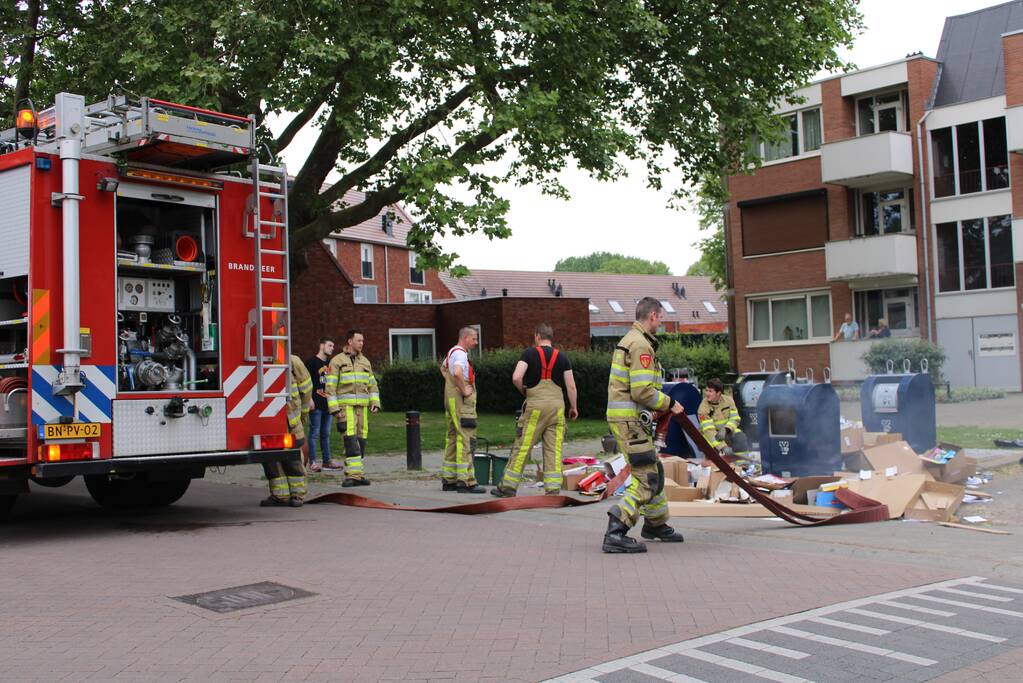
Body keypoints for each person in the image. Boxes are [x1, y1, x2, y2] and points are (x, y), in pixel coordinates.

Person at [602, 297, 685, 553]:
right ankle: (616, 530)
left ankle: (656, 524)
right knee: (646, 477)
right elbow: (642, 391)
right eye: (660, 318)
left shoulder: (631, 340)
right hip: (630, 421)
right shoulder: (640, 345)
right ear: (652, 316)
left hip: (627, 419)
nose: (660, 322)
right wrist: (670, 403)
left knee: (654, 470)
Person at [491, 323, 579, 497]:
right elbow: (571, 386)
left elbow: (516, 377)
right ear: (550, 337)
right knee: (553, 449)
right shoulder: (562, 357)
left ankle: (508, 487)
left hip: (535, 408)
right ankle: (553, 490)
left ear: (537, 336)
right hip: (557, 408)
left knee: (524, 446)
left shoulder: (529, 354)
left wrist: (525, 391)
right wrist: (574, 407)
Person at [325, 329, 379, 487]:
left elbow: (372, 385)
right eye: (359, 340)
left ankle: (358, 474)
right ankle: (352, 476)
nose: (362, 343)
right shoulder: (337, 361)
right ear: (350, 342)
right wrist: (334, 409)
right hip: (345, 408)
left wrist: (375, 402)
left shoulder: (365, 362)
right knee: (350, 441)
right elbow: (330, 387)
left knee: (361, 441)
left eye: (363, 341)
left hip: (362, 409)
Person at [261, 354, 312, 507]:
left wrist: (303, 413)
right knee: (270, 457)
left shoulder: (292, 360)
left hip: (291, 420)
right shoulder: (259, 360)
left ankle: (298, 494)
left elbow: (307, 388)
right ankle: (280, 494)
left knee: (293, 457)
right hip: (268, 419)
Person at [440, 327, 486, 493]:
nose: (476, 342)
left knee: (453, 437)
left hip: (451, 400)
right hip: (461, 402)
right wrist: (464, 389)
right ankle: (466, 482)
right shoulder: (461, 354)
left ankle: (449, 479)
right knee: (466, 438)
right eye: (474, 338)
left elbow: (443, 369)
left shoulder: (452, 352)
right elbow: (458, 372)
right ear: (465, 338)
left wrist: (451, 384)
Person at [304, 337, 336, 472]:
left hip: (328, 404)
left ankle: (327, 461)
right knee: (314, 434)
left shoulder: (330, 364)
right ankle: (312, 462)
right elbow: (305, 382)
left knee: (326, 434)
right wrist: (309, 399)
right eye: (329, 345)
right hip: (316, 404)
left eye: (333, 346)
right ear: (321, 346)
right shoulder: (311, 362)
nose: (332, 348)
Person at [697, 378, 747, 457]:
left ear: (718, 393)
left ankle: (742, 464)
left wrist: (726, 429)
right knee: (716, 455)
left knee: (740, 437)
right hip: (710, 436)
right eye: (706, 390)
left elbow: (735, 418)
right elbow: (709, 431)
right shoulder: (703, 408)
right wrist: (723, 447)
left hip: (726, 432)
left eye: (710, 391)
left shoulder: (728, 401)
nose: (707, 394)